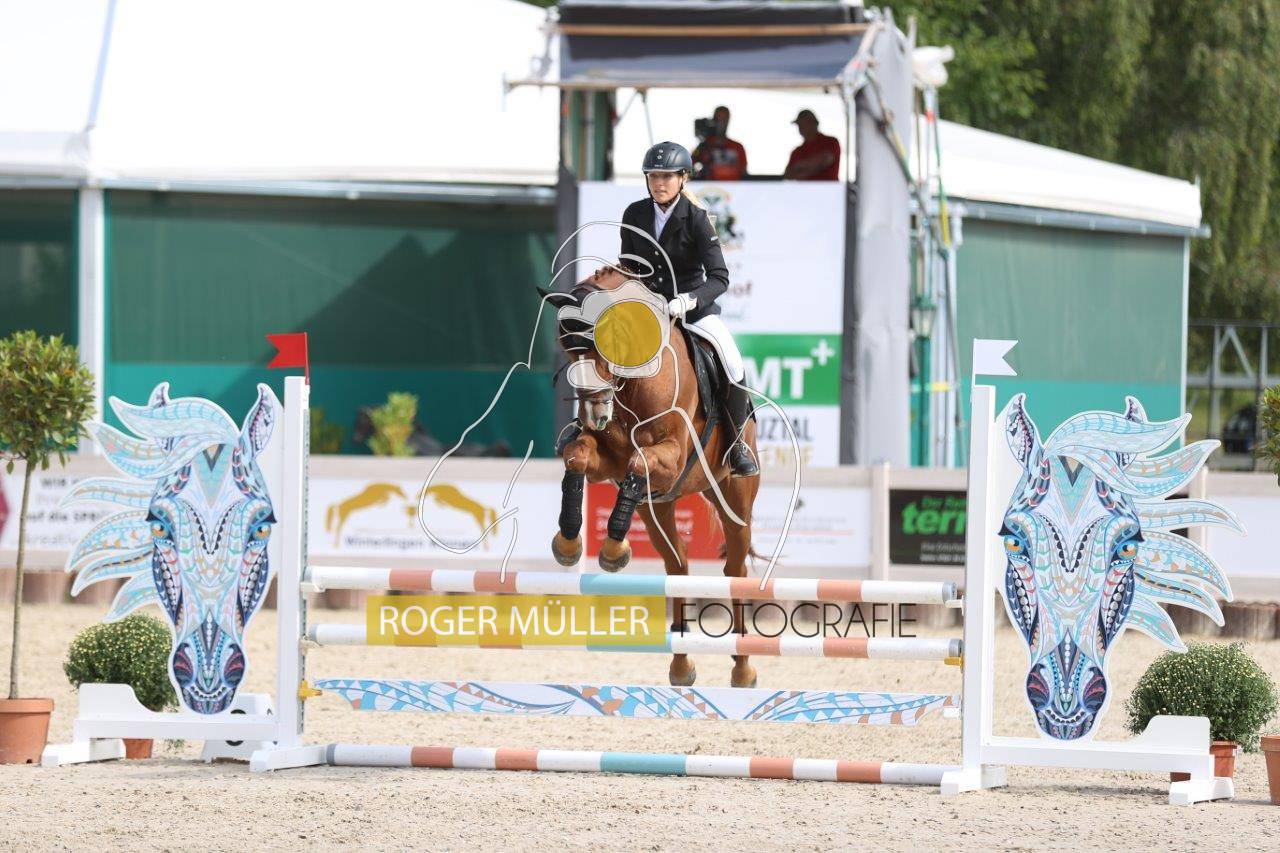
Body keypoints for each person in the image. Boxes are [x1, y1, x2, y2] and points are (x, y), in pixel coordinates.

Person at [618, 141, 759, 478]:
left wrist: (688, 299)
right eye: (653, 176)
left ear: (683, 178)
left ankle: (737, 444)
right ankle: (592, 426)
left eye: (667, 176)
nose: (659, 183)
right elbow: (628, 267)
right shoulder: (634, 214)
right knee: (603, 349)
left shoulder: (696, 218)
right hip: (648, 311)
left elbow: (720, 277)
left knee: (732, 360)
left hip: (692, 311)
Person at [691, 106, 748, 181]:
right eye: (718, 119)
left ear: (728, 121)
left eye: (724, 120)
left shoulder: (737, 147)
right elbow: (691, 167)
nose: (721, 123)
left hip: (733, 186)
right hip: (709, 186)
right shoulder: (704, 146)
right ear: (713, 121)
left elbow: (743, 172)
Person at [784, 109, 841, 180]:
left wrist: (800, 167)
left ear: (814, 123)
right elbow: (788, 174)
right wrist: (811, 165)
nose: (801, 127)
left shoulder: (831, 142)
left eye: (805, 123)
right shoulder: (796, 151)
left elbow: (825, 161)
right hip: (803, 187)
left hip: (827, 187)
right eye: (799, 124)